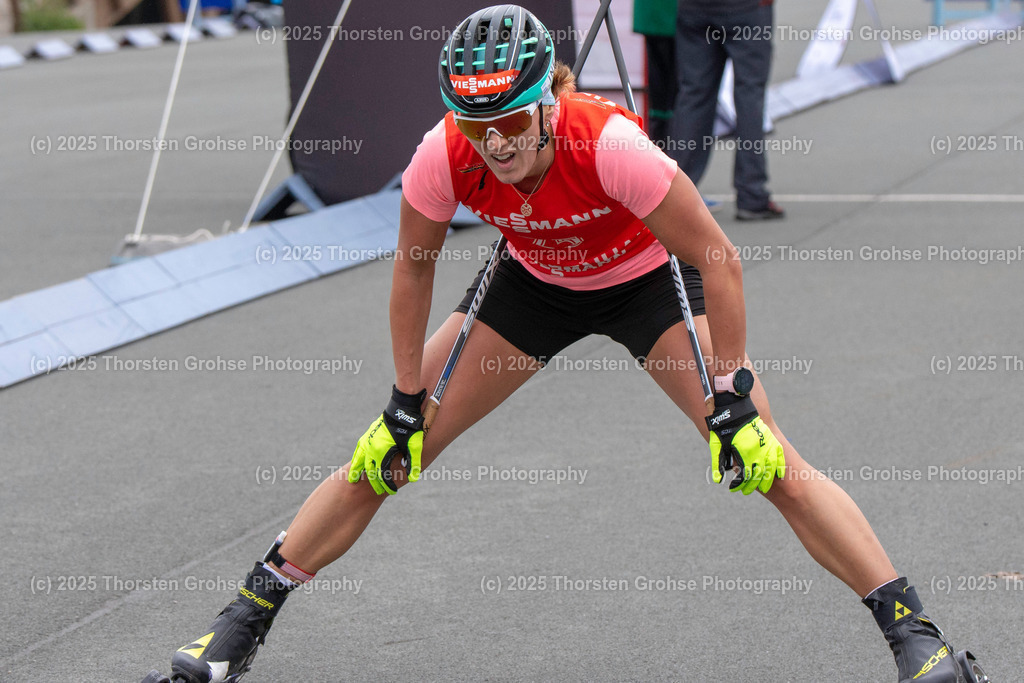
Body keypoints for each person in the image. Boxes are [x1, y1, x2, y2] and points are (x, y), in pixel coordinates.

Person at [151, 6, 982, 682]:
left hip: (646, 285)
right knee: (386, 452)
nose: (498, 144)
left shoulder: (609, 145)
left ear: (546, 102)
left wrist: (731, 390)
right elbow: (412, 276)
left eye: (513, 120)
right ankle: (235, 629)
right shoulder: (442, 157)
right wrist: (406, 398)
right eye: (479, 126)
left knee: (766, 456)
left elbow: (718, 258)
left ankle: (919, 638)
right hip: (532, 288)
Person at [670, 0, 785, 221]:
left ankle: (675, 193)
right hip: (747, 9)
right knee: (749, 96)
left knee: (694, 95)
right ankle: (752, 194)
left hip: (694, 9)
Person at [633, 0, 721, 213]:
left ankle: (661, 184)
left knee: (665, 101)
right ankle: (671, 188)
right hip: (675, 18)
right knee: (680, 100)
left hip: (658, 16)